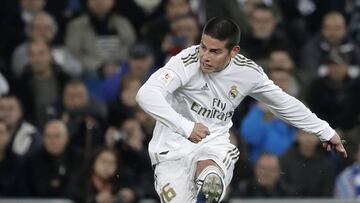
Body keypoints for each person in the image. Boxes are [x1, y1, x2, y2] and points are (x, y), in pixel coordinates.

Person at [136, 17, 347, 203]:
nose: (205, 56)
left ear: (233, 51)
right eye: (203, 47)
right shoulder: (186, 61)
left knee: (211, 170)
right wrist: (186, 127)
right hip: (170, 148)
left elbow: (284, 103)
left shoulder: (248, 73)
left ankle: (210, 177)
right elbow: (146, 95)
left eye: (215, 51)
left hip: (212, 142)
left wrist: (325, 131)